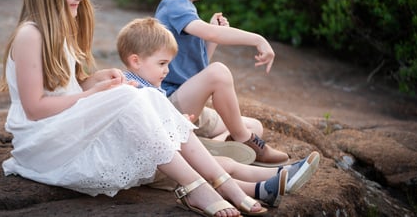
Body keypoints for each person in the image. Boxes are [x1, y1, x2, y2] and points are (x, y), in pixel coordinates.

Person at [0, 0, 281, 217]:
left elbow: (66, 86)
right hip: (46, 142)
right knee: (130, 97)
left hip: (68, 127)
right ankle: (200, 187)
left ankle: (222, 181)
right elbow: (35, 108)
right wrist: (95, 94)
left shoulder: (60, 32)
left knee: (142, 95)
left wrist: (94, 80)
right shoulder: (30, 35)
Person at [116, 16, 320, 204]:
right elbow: (145, 130)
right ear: (136, 61)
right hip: (156, 163)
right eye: (162, 63)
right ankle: (267, 184)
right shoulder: (135, 90)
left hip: (166, 155)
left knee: (225, 160)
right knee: (223, 166)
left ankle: (278, 178)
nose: (167, 70)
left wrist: (179, 121)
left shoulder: (148, 85)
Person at [141, 0, 289, 166]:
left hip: (188, 104)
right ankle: (241, 140)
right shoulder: (174, 8)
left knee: (254, 126)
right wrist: (258, 39)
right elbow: (212, 62)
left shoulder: (184, 9)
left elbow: (198, 72)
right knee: (221, 75)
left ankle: (211, 149)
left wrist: (211, 41)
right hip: (171, 106)